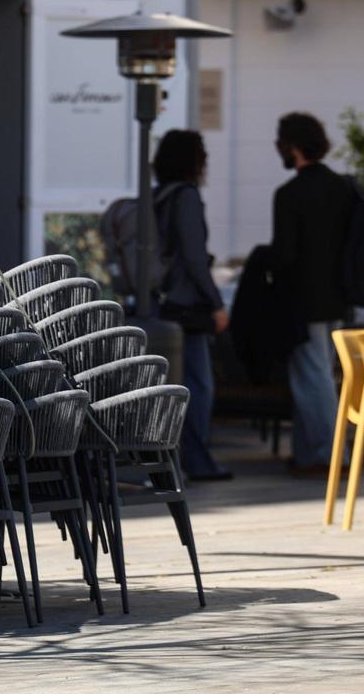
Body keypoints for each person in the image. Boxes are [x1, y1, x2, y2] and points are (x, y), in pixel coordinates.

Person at [272, 112, 354, 477]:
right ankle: (308, 453)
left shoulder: (289, 194)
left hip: (304, 301)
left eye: (280, 141)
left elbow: (285, 255)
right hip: (341, 296)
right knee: (323, 376)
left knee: (312, 377)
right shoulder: (344, 187)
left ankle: (328, 454)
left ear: (292, 144)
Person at [153, 130, 232, 482]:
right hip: (187, 306)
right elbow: (195, 258)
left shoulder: (156, 196)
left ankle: (172, 459)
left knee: (173, 386)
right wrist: (216, 303)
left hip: (161, 304)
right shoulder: (186, 197)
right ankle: (197, 461)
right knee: (199, 385)